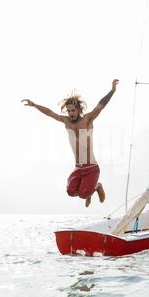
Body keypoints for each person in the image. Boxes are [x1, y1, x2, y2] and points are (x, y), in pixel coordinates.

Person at [22, 79, 119, 207]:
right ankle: (89, 192)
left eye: (73, 110)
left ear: (79, 110)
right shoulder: (66, 121)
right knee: (70, 191)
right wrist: (34, 105)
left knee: (83, 194)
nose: (71, 113)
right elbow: (49, 112)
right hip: (78, 168)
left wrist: (112, 91)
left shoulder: (87, 119)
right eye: (68, 111)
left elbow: (101, 105)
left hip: (91, 168)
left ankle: (96, 187)